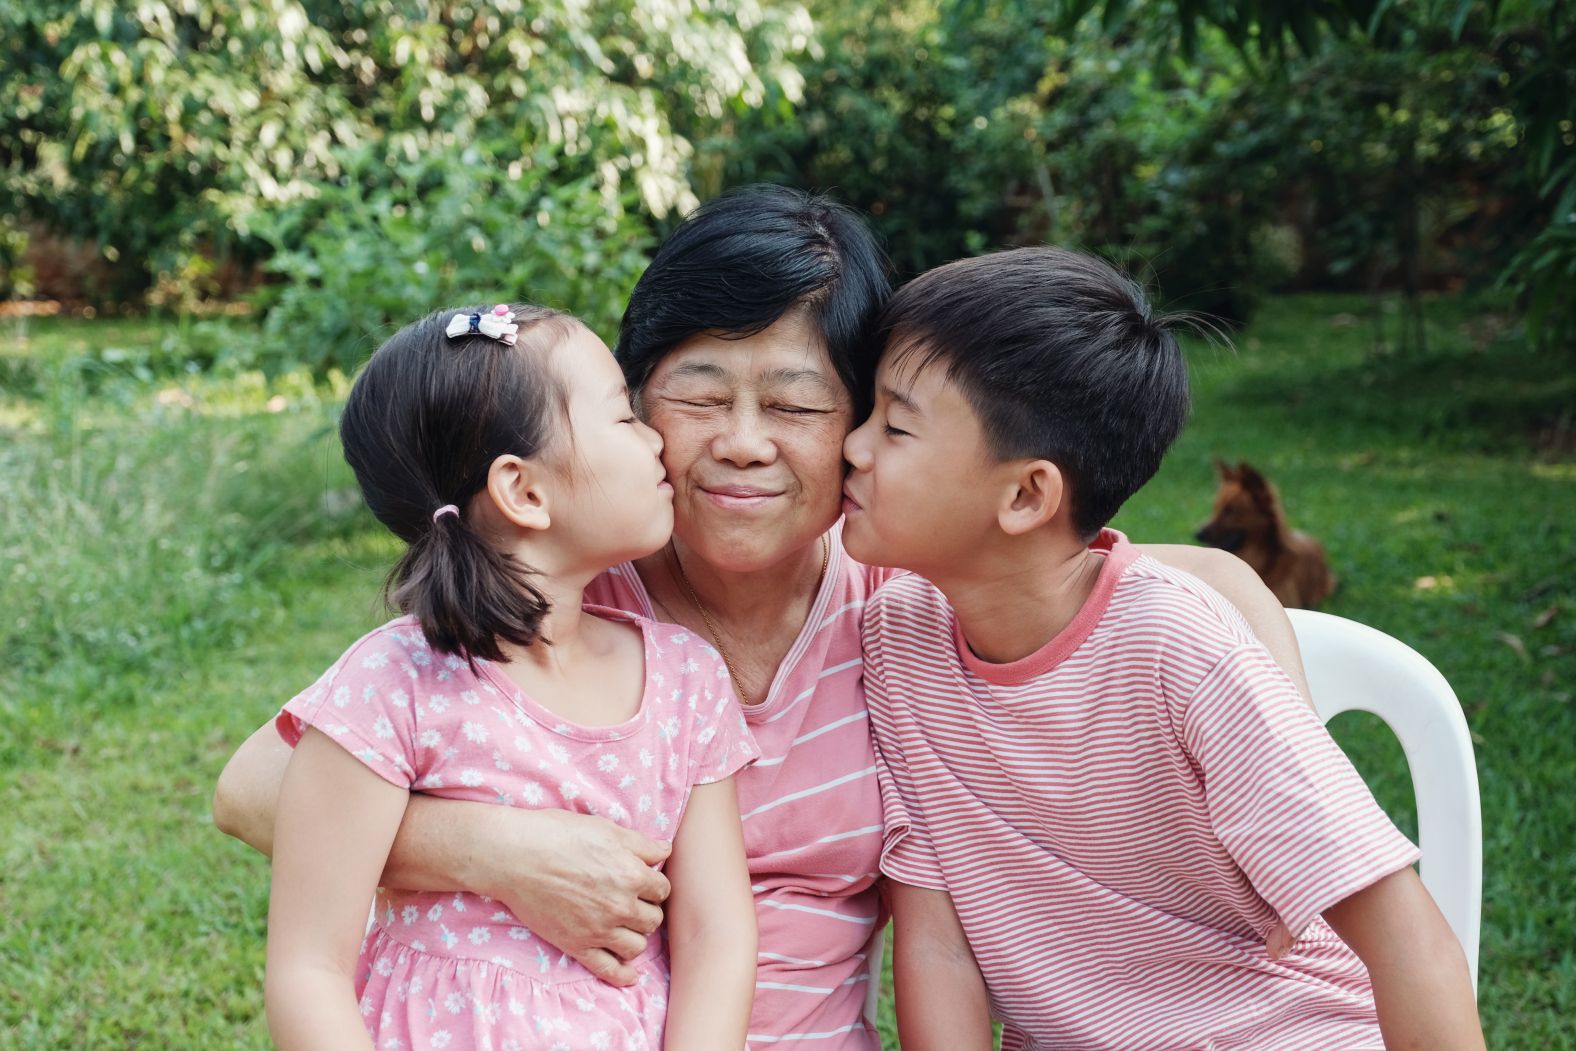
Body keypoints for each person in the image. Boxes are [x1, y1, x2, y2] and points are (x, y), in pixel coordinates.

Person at [215, 186, 1315, 1050]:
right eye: (697, 395)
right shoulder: (559, 601)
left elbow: (1186, 583)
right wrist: (496, 850)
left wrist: (1282, 774)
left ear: (865, 423)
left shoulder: (907, 603)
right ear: (632, 410)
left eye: (793, 404)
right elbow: (254, 787)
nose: (743, 442)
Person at [842, 247, 1485, 1050]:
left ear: (1026, 494)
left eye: (894, 426)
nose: (853, 447)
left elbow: (1403, 932)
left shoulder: (1179, 650)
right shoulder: (897, 639)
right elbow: (937, 946)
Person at [262, 302, 758, 1051]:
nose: (656, 437)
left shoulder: (686, 680)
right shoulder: (394, 684)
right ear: (524, 490)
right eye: (623, 417)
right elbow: (308, 967)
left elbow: (716, 931)